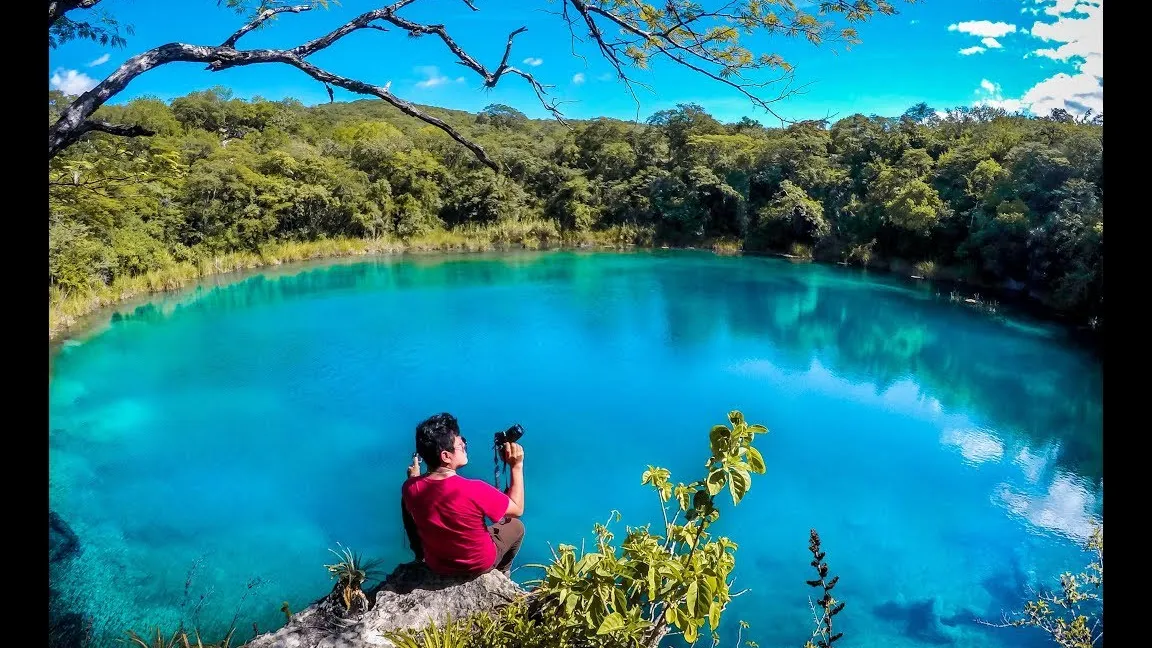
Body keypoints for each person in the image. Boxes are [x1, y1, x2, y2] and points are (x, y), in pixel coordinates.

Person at [400, 412, 525, 576]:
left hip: (437, 564)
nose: (465, 446)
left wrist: (414, 478)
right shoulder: (474, 489)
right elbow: (517, 509)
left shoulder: (410, 488)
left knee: (406, 503)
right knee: (517, 527)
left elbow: (418, 488)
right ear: (446, 456)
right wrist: (516, 466)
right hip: (477, 564)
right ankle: (501, 573)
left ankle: (419, 554)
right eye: (461, 444)